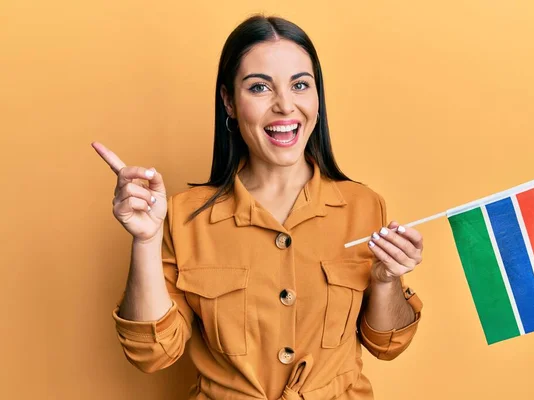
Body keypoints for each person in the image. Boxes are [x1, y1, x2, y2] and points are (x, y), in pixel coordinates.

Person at [92, 14, 423, 400]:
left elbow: (388, 344)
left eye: (300, 85)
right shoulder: (183, 217)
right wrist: (145, 241)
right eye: (260, 88)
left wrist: (387, 282)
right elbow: (152, 354)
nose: (285, 106)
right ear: (229, 101)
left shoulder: (364, 206)